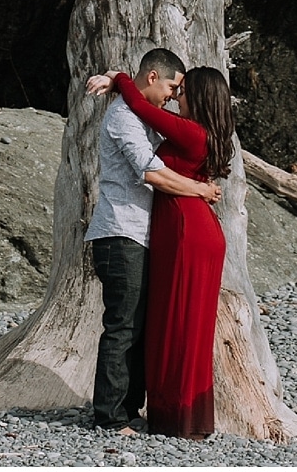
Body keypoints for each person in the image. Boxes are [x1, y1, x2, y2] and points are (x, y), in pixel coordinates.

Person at [88, 63, 235, 439]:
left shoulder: (187, 130)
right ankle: (173, 414)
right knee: (168, 323)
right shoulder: (199, 130)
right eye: (175, 87)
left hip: (187, 229)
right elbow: (143, 113)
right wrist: (200, 188)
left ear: (198, 97)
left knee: (177, 324)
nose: (176, 95)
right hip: (182, 226)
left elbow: (141, 106)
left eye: (183, 91)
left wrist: (118, 78)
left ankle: (172, 415)